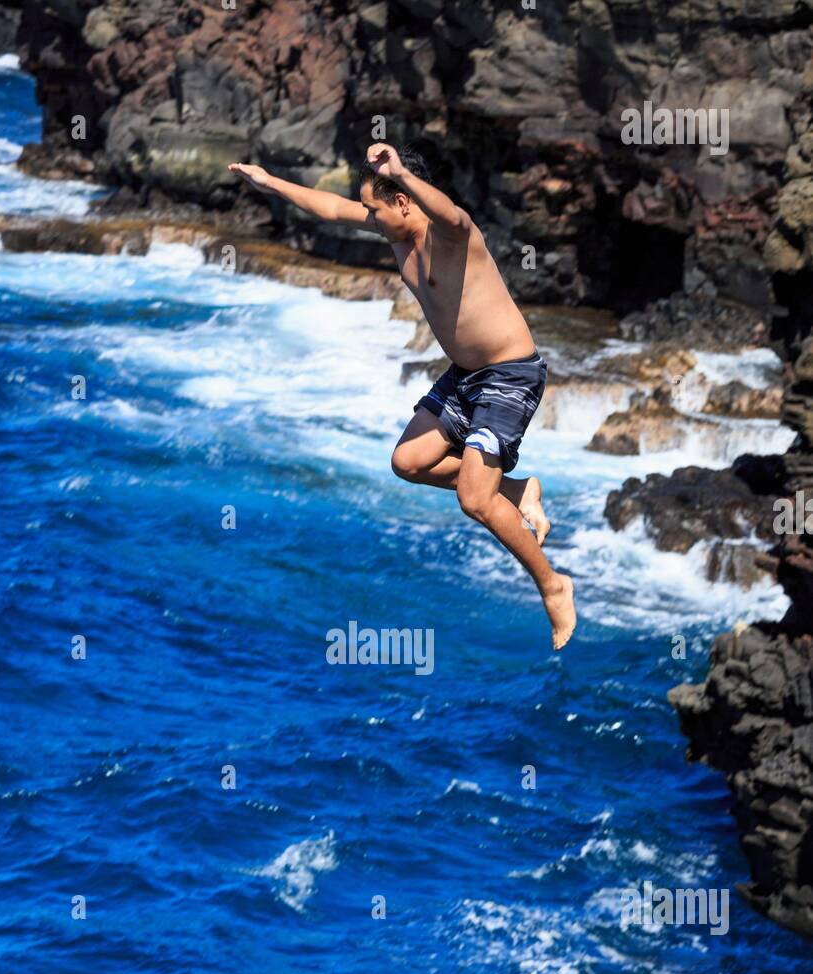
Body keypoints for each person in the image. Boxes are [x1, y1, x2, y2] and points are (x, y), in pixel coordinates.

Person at [228, 142, 576, 649]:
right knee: (409, 461)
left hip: (508, 374)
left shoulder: (452, 238)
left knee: (473, 498)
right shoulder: (393, 230)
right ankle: (519, 491)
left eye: (375, 206)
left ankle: (552, 585)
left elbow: (453, 215)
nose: (367, 216)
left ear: (404, 201)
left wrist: (403, 175)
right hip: (465, 374)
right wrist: (271, 183)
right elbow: (330, 209)